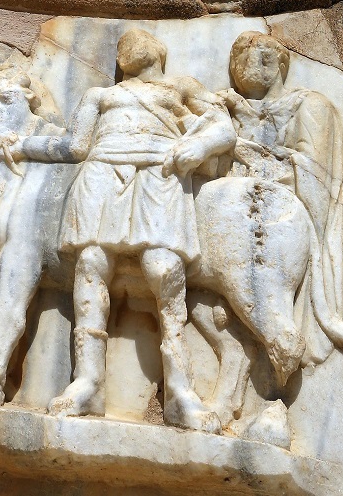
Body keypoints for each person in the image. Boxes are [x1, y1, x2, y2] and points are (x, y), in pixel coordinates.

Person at [14, 28, 235, 432]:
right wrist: (22, 146)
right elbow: (75, 146)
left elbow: (223, 127)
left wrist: (200, 147)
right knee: (92, 263)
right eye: (122, 45)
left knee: (164, 269)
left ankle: (181, 391)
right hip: (102, 172)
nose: (128, 46)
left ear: (158, 50)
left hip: (159, 174)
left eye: (136, 40)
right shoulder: (99, 96)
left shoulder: (180, 87)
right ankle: (87, 381)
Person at [222, 31, 343, 387]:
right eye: (237, 59)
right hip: (239, 208)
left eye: (253, 56)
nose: (242, 66)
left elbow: (313, 170)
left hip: (285, 213)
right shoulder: (234, 108)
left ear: (276, 63)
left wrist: (253, 157)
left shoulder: (310, 104)